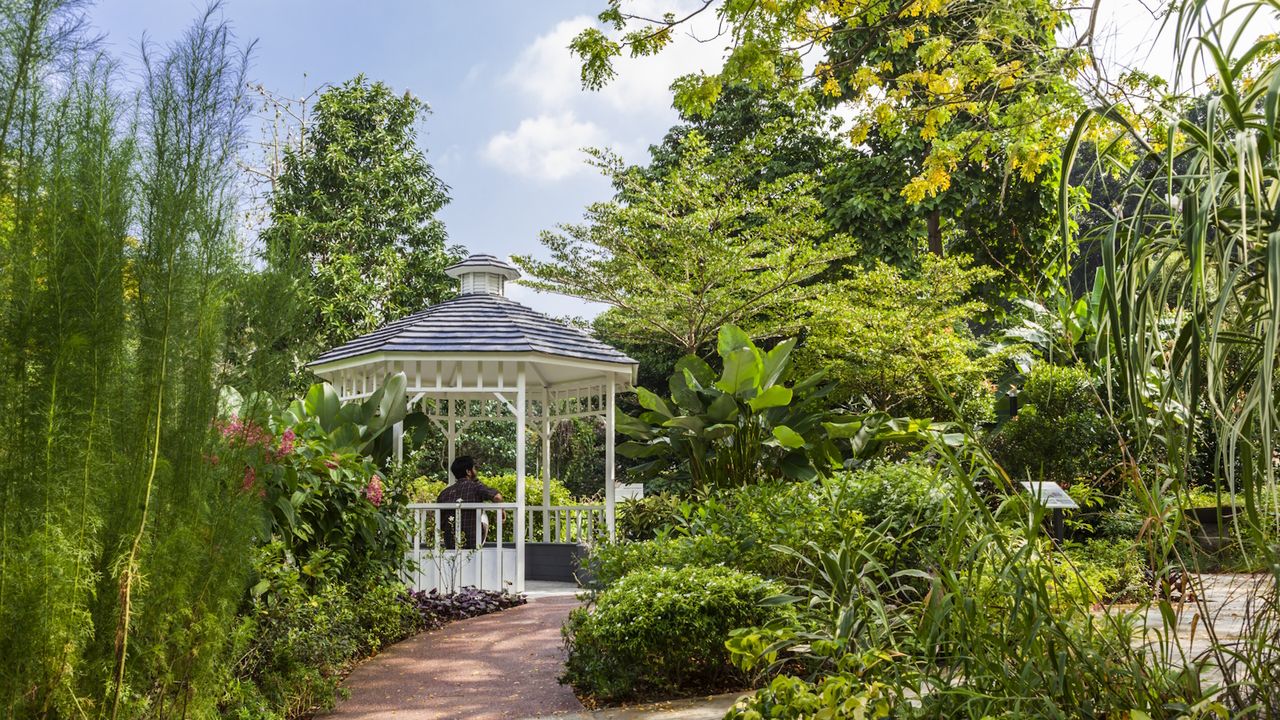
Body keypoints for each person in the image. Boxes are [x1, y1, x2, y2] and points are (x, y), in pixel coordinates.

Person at [436, 456, 503, 549]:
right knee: (484, 518)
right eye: (474, 468)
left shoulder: (444, 494)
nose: (476, 471)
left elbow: (441, 522)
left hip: (451, 545)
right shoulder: (476, 487)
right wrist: (502, 510)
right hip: (473, 543)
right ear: (468, 471)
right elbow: (497, 497)